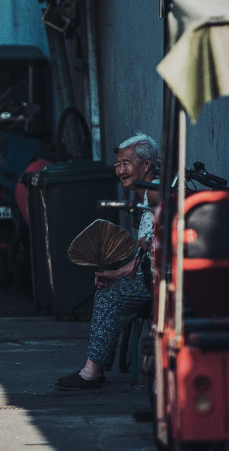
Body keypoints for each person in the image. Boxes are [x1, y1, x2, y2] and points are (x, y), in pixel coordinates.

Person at [55, 133, 159, 390]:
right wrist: (116, 274)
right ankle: (97, 366)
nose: (119, 170)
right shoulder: (148, 195)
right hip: (151, 273)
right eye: (118, 164)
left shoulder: (156, 194)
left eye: (126, 163)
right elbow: (144, 258)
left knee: (108, 297)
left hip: (159, 279)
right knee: (110, 287)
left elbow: (153, 255)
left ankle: (92, 372)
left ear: (146, 165)